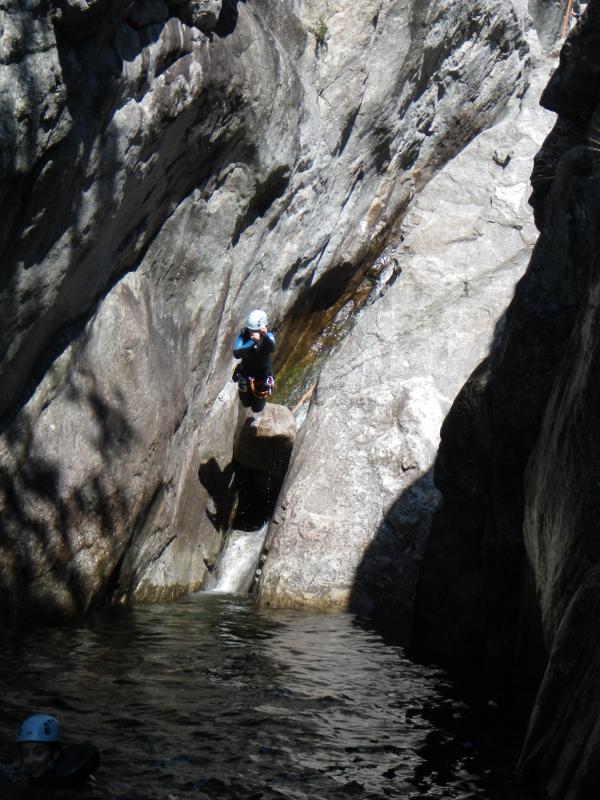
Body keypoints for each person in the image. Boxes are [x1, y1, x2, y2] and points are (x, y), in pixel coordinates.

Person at [17, 713, 100, 789]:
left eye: (39, 753)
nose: (30, 761)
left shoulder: (74, 783)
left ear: (55, 753)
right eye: (25, 753)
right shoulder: (18, 774)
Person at [232, 309, 276, 416]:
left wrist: (265, 336)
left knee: (258, 407)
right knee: (245, 402)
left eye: (255, 330)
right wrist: (251, 341)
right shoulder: (244, 335)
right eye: (251, 330)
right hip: (246, 373)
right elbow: (236, 352)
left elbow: (272, 348)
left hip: (263, 375)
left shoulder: (268, 336)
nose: (253, 333)